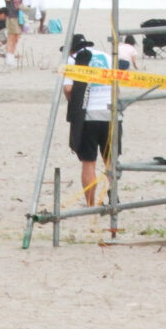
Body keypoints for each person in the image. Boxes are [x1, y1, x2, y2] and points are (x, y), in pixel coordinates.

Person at [65, 33, 116, 218]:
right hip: (111, 113)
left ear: (71, 50)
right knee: (110, 161)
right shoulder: (107, 57)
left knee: (88, 163)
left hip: (88, 115)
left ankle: (90, 204)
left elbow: (68, 88)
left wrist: (74, 103)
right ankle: (114, 198)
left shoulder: (73, 61)